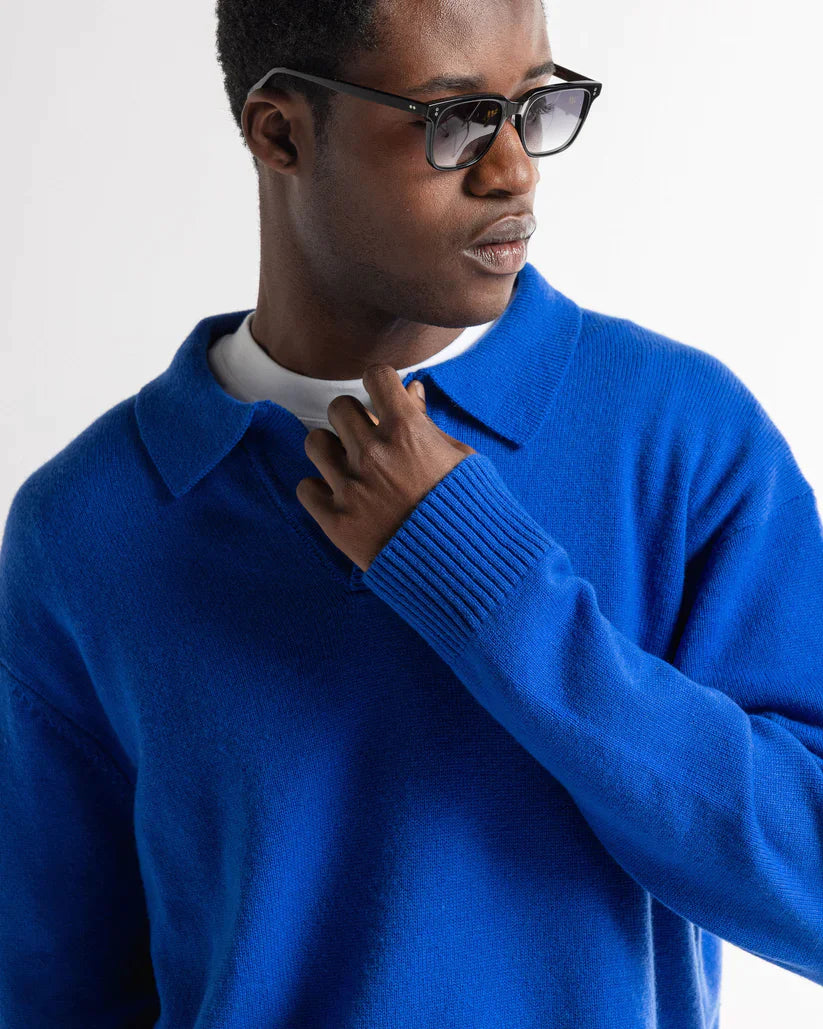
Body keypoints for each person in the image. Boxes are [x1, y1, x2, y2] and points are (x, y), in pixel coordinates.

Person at [2, 0, 822, 1026]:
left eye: (535, 105)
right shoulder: (87, 524)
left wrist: (486, 587)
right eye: (457, 119)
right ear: (280, 133)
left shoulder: (676, 435)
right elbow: (56, 990)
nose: (514, 170)